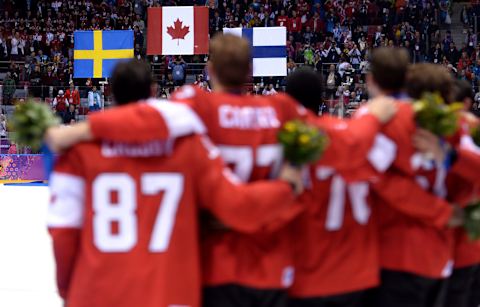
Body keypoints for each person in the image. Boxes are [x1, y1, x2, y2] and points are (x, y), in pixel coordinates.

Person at [45, 35, 397, 307]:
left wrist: (81, 130)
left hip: (216, 261)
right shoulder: (280, 109)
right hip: (271, 259)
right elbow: (341, 142)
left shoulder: (197, 106)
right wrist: (373, 116)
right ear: (250, 73)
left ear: (209, 70)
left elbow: (146, 117)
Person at [47, 59, 304, 307]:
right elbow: (236, 205)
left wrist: (67, 289)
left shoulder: (78, 153)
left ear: (111, 93)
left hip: (97, 292)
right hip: (170, 291)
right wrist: (285, 187)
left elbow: (63, 231)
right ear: (154, 90)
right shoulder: (187, 145)